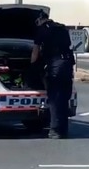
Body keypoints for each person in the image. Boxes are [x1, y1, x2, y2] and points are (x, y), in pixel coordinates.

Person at [31, 11, 75, 139]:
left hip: (56, 67)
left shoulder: (42, 30)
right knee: (64, 98)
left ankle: (55, 131)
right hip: (68, 64)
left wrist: (32, 67)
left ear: (39, 20)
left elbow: (35, 53)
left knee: (55, 99)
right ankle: (63, 130)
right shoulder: (61, 28)